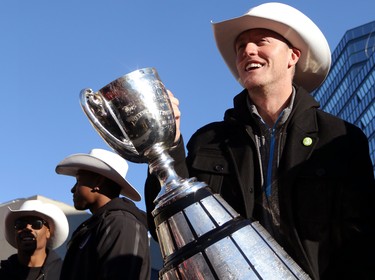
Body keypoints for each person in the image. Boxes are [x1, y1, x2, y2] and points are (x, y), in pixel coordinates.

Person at [145, 2, 375, 279]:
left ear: (293, 56)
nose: (247, 51)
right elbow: (170, 224)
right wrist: (167, 140)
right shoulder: (208, 140)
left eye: (260, 42)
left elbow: (362, 241)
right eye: (241, 46)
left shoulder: (340, 137)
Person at [55, 148, 150, 280]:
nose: (73, 189)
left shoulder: (122, 224)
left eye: (78, 181)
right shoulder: (96, 227)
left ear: (97, 182)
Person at [0, 199, 69, 280]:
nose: (27, 228)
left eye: (36, 223)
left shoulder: (65, 273)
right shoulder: (3, 273)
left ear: (48, 232)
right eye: (20, 224)